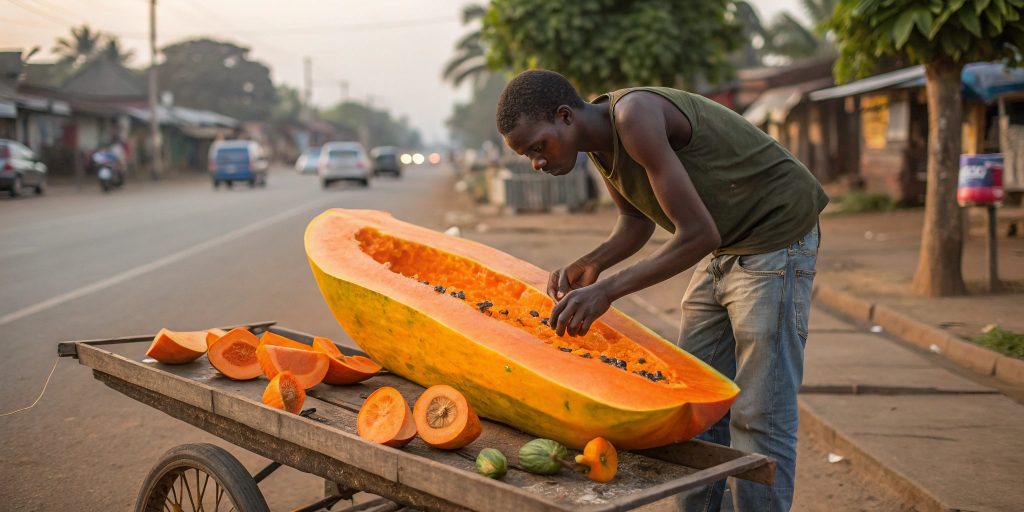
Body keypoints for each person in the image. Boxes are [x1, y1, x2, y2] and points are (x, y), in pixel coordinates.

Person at [495, 69, 828, 512]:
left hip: (774, 238)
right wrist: (591, 264)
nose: (537, 162)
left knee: (759, 416)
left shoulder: (634, 117)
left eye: (538, 146)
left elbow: (697, 235)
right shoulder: (597, 144)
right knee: (691, 404)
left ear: (564, 116)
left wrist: (606, 291)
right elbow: (636, 222)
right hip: (728, 243)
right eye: (527, 156)